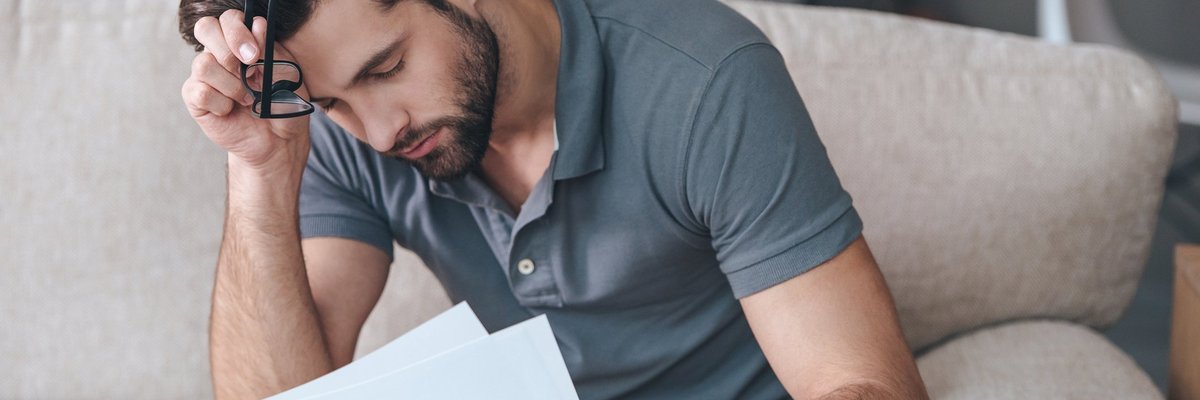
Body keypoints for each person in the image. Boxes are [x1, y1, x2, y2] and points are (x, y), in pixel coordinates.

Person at [177, 0, 929, 398]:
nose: (378, 131)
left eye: (387, 67)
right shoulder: (345, 134)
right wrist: (261, 178)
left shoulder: (702, 81)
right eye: (332, 101)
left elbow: (861, 383)